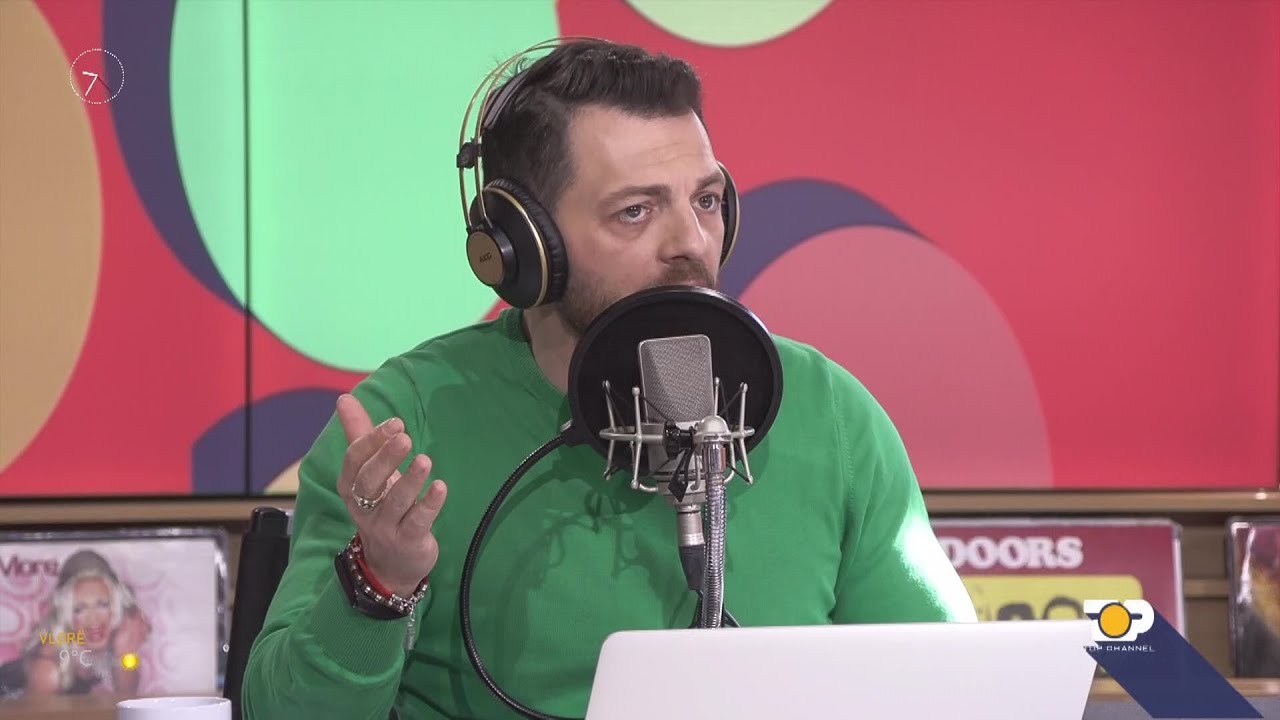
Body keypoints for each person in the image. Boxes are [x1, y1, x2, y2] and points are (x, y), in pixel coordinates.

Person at [241, 37, 975, 720]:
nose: (690, 242)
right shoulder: (406, 426)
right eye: (635, 211)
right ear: (524, 247)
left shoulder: (826, 410)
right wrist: (380, 581)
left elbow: (953, 688)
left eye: (706, 200)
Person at [0, 549, 150, 698]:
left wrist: (126, 652)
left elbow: (128, 695)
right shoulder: (49, 666)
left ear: (115, 606)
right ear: (66, 613)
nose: (94, 619)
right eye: (79, 609)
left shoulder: (117, 639)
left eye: (102, 605)